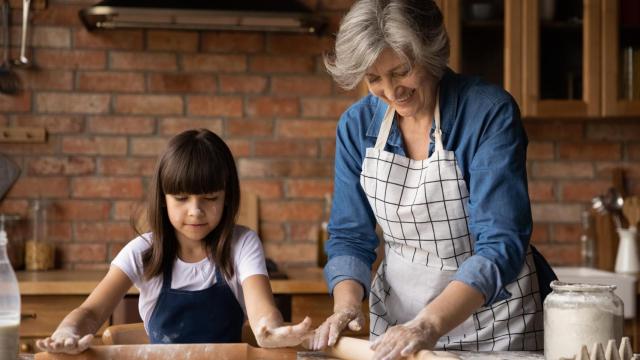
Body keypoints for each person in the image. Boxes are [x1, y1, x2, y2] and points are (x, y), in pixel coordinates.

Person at [310, 0, 557, 358]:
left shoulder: (487, 113)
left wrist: (429, 324)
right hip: (399, 327)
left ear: (431, 52)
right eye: (374, 78)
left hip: (496, 325)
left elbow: (501, 242)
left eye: (402, 71)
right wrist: (346, 306)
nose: (392, 92)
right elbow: (350, 237)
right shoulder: (357, 126)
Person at [36, 129, 312, 354]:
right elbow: (90, 312)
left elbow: (262, 309)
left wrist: (270, 330)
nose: (195, 210)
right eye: (181, 198)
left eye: (210, 198)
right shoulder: (142, 251)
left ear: (227, 197)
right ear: (163, 199)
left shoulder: (241, 244)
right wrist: (68, 331)